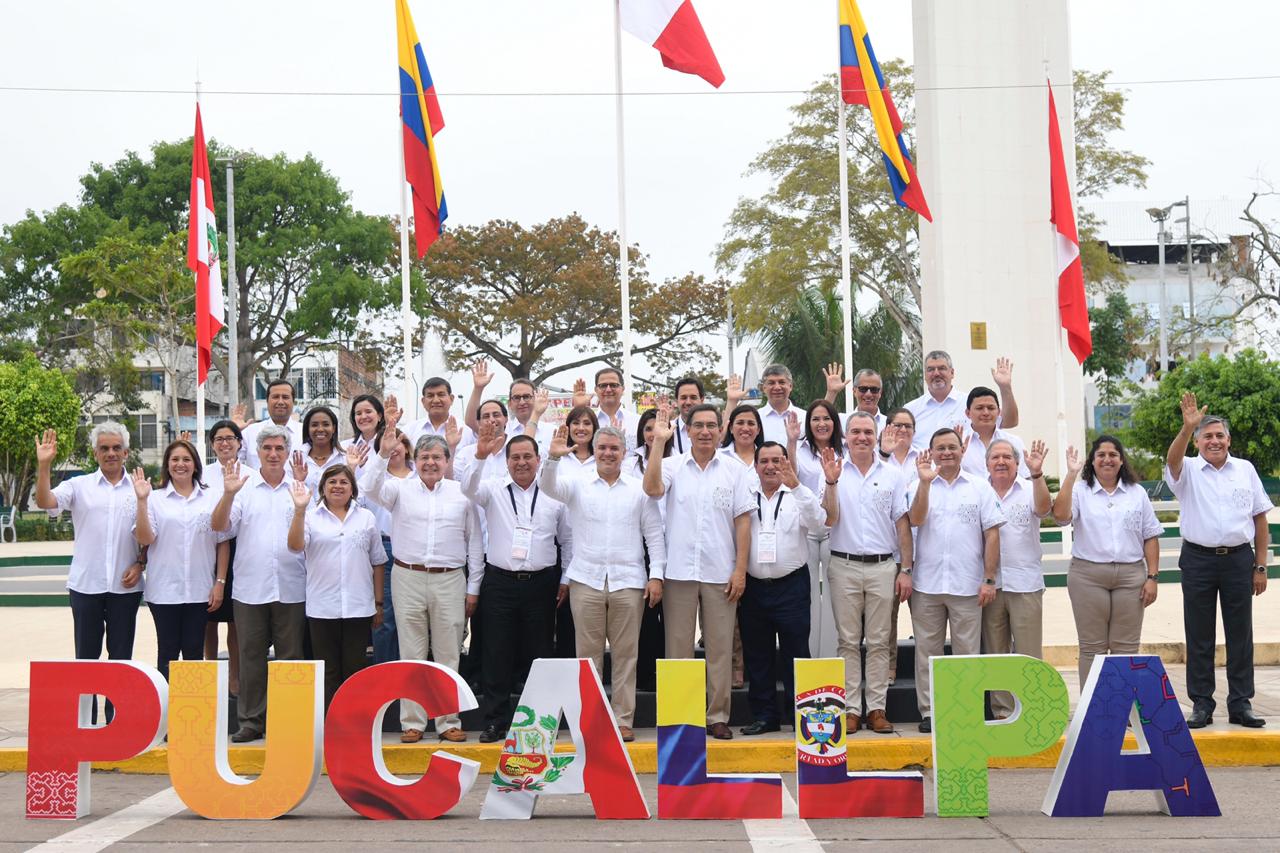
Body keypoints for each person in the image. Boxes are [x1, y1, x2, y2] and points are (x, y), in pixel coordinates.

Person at [360, 401, 482, 743]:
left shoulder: (462, 495)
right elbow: (369, 486)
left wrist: (473, 587)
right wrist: (383, 453)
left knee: (447, 653)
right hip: (408, 577)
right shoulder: (399, 489)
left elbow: (474, 543)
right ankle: (412, 722)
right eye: (425, 457)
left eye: (437, 458)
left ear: (446, 462)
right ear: (417, 461)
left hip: (449, 578)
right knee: (411, 652)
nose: (430, 463)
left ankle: (448, 721)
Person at [543, 425, 664, 742]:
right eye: (603, 448)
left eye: (614, 448)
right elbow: (548, 488)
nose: (608, 453)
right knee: (588, 658)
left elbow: (654, 536)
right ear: (594, 451)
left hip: (628, 582)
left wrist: (657, 576)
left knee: (627, 657)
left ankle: (623, 720)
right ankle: (594, 721)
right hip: (586, 580)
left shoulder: (638, 490)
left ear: (624, 453)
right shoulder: (578, 485)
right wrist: (552, 460)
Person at [643, 402, 752, 740]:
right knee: (678, 650)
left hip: (721, 573)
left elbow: (743, 522)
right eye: (698, 425)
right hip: (679, 573)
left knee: (720, 649)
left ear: (722, 430)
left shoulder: (734, 470)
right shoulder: (673, 466)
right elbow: (651, 489)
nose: (705, 431)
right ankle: (682, 716)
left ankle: (717, 715)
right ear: (687, 431)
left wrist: (740, 570)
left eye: (711, 425)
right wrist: (659, 444)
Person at [1166, 392, 1271, 728]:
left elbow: (1260, 520)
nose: (1214, 441)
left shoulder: (1245, 470)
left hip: (1240, 560)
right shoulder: (1188, 470)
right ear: (1198, 441)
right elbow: (1172, 462)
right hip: (1198, 560)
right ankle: (1201, 703)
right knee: (1199, 635)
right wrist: (1186, 428)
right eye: (1207, 436)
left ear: (1229, 439)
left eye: (1219, 435)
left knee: (1240, 635)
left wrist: (1261, 565)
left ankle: (1241, 704)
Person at [462, 425, 571, 742]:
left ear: (538, 460)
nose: (522, 463)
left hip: (542, 583)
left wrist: (564, 579)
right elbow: (468, 489)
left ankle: (537, 723)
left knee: (538, 653)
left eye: (528, 457)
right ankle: (496, 720)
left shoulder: (554, 494)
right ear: (507, 461)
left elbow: (568, 540)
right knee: (497, 652)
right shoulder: (493, 488)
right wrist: (480, 458)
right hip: (500, 582)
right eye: (515, 458)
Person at [35, 423, 144, 719]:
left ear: (126, 452)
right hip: (86, 586)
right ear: (95, 453)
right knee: (86, 658)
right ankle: (87, 722)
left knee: (121, 658)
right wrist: (44, 466)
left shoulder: (139, 489)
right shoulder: (78, 486)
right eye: (104, 448)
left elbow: (149, 535)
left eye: (116, 448)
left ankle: (115, 722)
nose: (111, 453)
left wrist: (140, 563)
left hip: (125, 589)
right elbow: (46, 502)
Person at [211, 423, 308, 742]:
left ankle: (288, 721)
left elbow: (303, 540)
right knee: (250, 658)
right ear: (258, 452)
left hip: (291, 586)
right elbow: (219, 526)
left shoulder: (300, 488)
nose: (273, 454)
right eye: (267, 448)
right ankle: (251, 721)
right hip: (250, 589)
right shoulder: (243, 488)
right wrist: (228, 493)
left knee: (290, 659)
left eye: (280, 448)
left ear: (287, 453)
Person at [908, 428, 1005, 733]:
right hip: (927, 585)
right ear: (931, 452)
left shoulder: (979, 487)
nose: (946, 453)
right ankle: (930, 712)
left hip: (967, 585)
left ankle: (966, 709)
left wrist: (989, 579)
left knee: (967, 653)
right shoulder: (919, 484)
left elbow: (992, 534)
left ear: (962, 450)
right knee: (928, 653)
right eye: (940, 448)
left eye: (952, 447)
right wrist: (925, 484)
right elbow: (916, 519)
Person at [739, 442, 836, 735]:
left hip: (791, 585)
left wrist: (796, 486)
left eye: (777, 460)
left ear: (786, 462)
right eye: (764, 461)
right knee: (758, 654)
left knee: (796, 651)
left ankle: (801, 715)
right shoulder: (744, 495)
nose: (770, 466)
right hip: (754, 587)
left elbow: (820, 526)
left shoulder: (798, 494)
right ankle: (765, 715)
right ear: (755, 466)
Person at [826, 412, 913, 734]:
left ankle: (876, 709)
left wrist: (906, 569)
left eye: (867, 432)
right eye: (855, 432)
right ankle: (850, 709)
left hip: (882, 567)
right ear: (846, 437)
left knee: (879, 642)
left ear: (876, 436)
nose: (861, 437)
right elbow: (829, 518)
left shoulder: (892, 474)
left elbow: (902, 525)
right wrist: (831, 482)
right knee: (847, 642)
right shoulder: (833, 471)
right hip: (843, 565)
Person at [1052, 435, 1161, 690]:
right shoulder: (1080, 490)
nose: (1107, 459)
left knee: (1126, 647)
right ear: (1093, 460)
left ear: (1121, 460)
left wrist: (1153, 577)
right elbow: (1060, 517)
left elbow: (1150, 536)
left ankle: (1121, 709)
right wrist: (1071, 475)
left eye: (1113, 454)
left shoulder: (1137, 493)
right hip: (1088, 576)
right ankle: (1094, 710)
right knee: (1092, 647)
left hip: (1130, 576)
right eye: (1101, 455)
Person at [287, 465, 386, 709]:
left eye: (344, 482)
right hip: (322, 607)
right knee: (327, 670)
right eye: (332, 482)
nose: (338, 486)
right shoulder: (309, 517)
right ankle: (330, 725)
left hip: (359, 606)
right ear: (322, 488)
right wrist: (299, 511)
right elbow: (295, 546)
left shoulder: (366, 518)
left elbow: (378, 561)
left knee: (355, 669)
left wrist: (378, 603)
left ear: (352, 488)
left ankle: (354, 722)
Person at [132, 440, 230, 681]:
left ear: (195, 465)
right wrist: (142, 501)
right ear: (167, 465)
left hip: (200, 590)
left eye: (186, 459)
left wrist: (220, 582)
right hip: (164, 590)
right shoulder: (154, 499)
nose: (180, 464)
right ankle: (168, 712)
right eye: (175, 459)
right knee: (167, 652)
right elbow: (145, 537)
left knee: (194, 652)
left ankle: (193, 713)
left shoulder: (212, 497)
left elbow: (223, 540)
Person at [983, 438, 1052, 719]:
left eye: (1007, 457)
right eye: (995, 457)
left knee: (1028, 652)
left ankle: (1033, 711)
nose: (1001, 462)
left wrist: (1037, 474)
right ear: (987, 463)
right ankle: (1003, 712)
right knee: (996, 654)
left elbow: (1045, 509)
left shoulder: (1029, 488)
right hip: (990, 586)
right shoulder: (978, 491)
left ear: (1016, 462)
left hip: (1026, 583)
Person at [786, 400, 844, 659]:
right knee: (807, 597)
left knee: (834, 600)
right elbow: (790, 475)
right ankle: (809, 659)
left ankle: (832, 657)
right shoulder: (799, 449)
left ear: (835, 422)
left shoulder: (847, 451)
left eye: (826, 418)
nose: (821, 424)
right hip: (806, 531)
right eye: (815, 419)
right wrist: (791, 441)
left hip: (836, 531)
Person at [346, 396, 398, 665]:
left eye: (369, 411)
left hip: (392, 543)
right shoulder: (347, 448)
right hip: (360, 541)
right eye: (358, 413)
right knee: (371, 609)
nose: (363, 416)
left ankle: (391, 668)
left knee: (389, 613)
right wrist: (351, 467)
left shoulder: (395, 450)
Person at [622, 407, 670, 693]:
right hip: (642, 543)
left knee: (673, 617)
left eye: (658, 428)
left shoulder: (677, 461)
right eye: (648, 428)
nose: (653, 433)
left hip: (673, 543)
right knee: (647, 614)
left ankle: (668, 674)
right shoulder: (630, 464)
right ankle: (645, 676)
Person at [877, 406, 919, 684]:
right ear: (886, 428)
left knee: (925, 620)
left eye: (908, 426)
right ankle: (888, 670)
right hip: (889, 552)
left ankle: (924, 675)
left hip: (922, 551)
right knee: (886, 620)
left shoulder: (926, 458)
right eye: (897, 425)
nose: (902, 430)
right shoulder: (877, 460)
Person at [905, 352, 1019, 450]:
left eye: (942, 368)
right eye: (930, 369)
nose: (936, 373)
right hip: (922, 473)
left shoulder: (971, 404)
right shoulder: (910, 410)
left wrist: (1005, 387)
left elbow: (1009, 422)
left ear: (952, 373)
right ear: (925, 375)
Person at [204, 419, 244, 694]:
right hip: (206, 549)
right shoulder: (202, 474)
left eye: (230, 438)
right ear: (212, 444)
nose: (225, 443)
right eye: (219, 439)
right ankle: (209, 670)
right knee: (207, 616)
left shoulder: (251, 473)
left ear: (240, 443)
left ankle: (234, 676)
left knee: (234, 620)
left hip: (240, 549)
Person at [960, 386, 1029, 479]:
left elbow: (1025, 478)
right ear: (968, 413)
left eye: (991, 408)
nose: (986, 413)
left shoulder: (1013, 442)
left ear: (998, 412)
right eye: (980, 408)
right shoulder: (958, 442)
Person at [241, 379, 304, 469]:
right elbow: (232, 462)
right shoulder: (249, 433)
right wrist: (234, 431)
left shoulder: (305, 433)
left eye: (285, 397)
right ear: (267, 401)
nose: (280, 402)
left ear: (293, 401)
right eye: (275, 397)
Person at [582, 367, 641, 451]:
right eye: (603, 385)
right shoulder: (586, 422)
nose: (608, 389)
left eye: (613, 385)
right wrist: (578, 407)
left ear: (622, 389)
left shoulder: (638, 421)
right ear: (596, 390)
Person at [403, 377, 471, 449]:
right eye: (430, 396)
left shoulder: (466, 431)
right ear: (423, 401)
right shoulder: (409, 431)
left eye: (441, 395)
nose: (436, 400)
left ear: (451, 399)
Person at [749, 365, 807, 445]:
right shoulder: (755, 418)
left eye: (781, 382)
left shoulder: (805, 417)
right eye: (771, 383)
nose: (777, 387)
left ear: (790, 386)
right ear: (764, 388)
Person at [822, 364, 887, 432]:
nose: (868, 394)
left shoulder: (890, 424)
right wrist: (831, 393)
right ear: (854, 391)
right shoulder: (841, 422)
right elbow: (820, 419)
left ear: (880, 393)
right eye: (863, 389)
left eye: (874, 389)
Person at [298, 405, 345, 489]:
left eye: (326, 424)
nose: (320, 429)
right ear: (308, 429)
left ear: (333, 428)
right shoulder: (297, 459)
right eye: (314, 425)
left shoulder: (345, 459)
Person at [720, 404, 765, 469]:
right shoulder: (718, 456)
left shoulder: (767, 457)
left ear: (758, 429)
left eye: (751, 423)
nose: (745, 429)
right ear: (731, 428)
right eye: (740, 423)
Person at [670, 376, 706, 454]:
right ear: (677, 401)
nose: (688, 402)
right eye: (683, 397)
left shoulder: (711, 429)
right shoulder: (668, 429)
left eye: (693, 397)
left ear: (702, 400)